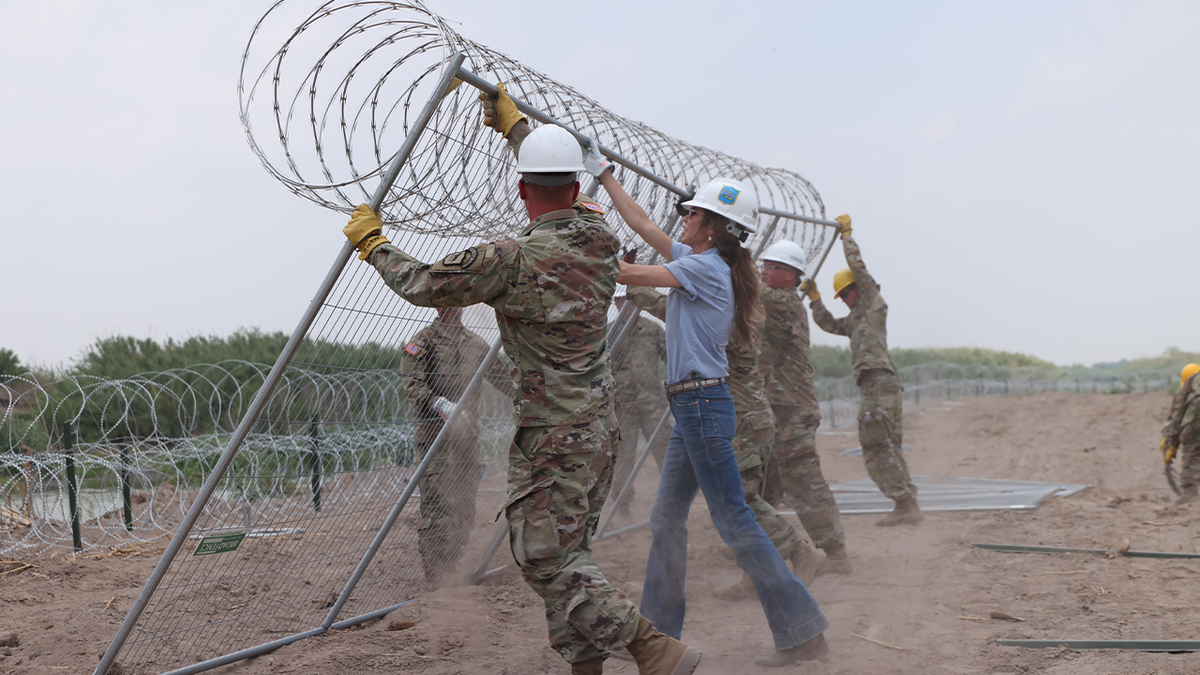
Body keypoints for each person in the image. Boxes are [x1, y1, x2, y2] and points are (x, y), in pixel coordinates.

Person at [341, 83, 701, 675]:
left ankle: (651, 646)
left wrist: (374, 244)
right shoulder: (601, 240)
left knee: (542, 557)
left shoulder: (511, 260)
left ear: (519, 189)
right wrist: (518, 132)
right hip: (599, 430)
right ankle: (586, 665)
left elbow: (423, 284)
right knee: (570, 553)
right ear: (578, 190)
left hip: (552, 437)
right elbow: (555, 189)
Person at [590, 144, 830, 668]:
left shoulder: (706, 269)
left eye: (693, 212)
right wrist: (604, 174)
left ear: (715, 227)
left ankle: (803, 631)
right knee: (666, 519)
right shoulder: (701, 259)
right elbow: (645, 226)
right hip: (692, 406)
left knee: (734, 520)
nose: (684, 216)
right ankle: (659, 638)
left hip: (701, 404)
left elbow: (626, 275)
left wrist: (582, 231)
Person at [623, 284, 822, 600]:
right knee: (741, 497)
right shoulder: (744, 306)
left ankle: (798, 549)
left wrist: (635, 287)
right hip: (743, 416)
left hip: (740, 419)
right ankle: (755, 576)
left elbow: (674, 312)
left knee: (739, 499)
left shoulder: (726, 316)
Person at [809, 215, 922, 526]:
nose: (844, 300)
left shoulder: (873, 303)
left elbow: (859, 269)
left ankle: (904, 501)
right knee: (887, 444)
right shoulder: (855, 318)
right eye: (841, 297)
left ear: (857, 289)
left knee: (875, 443)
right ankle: (907, 503)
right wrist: (815, 300)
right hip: (878, 384)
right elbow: (828, 324)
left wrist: (847, 237)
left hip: (879, 382)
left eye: (845, 294)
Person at [757, 240, 852, 574]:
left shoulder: (782, 302)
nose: (763, 271)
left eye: (771, 267)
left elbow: (741, 287)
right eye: (763, 265)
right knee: (765, 484)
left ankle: (836, 555)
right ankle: (761, 549)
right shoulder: (772, 301)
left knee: (804, 482)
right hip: (776, 408)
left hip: (792, 410)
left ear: (789, 275)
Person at [400, 305, 508, 585]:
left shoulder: (477, 345)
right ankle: (436, 577)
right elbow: (412, 384)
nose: (449, 307)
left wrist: (535, 396)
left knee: (464, 508)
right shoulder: (423, 341)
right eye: (443, 302)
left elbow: (505, 381)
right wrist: (438, 403)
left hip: (466, 441)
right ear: (436, 306)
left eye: (454, 302)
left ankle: (451, 568)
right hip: (435, 440)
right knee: (438, 508)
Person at [609, 290, 671, 518]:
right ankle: (623, 506)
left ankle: (672, 503)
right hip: (623, 406)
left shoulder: (652, 329)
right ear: (615, 303)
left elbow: (671, 357)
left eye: (628, 301)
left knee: (665, 450)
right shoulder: (609, 333)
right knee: (622, 457)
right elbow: (600, 367)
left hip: (653, 404)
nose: (625, 305)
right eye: (620, 301)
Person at [1161, 363, 1200, 504]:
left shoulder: (1189, 385)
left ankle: (1191, 495)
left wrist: (1172, 444)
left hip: (1196, 420)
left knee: (1192, 449)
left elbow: (1177, 418)